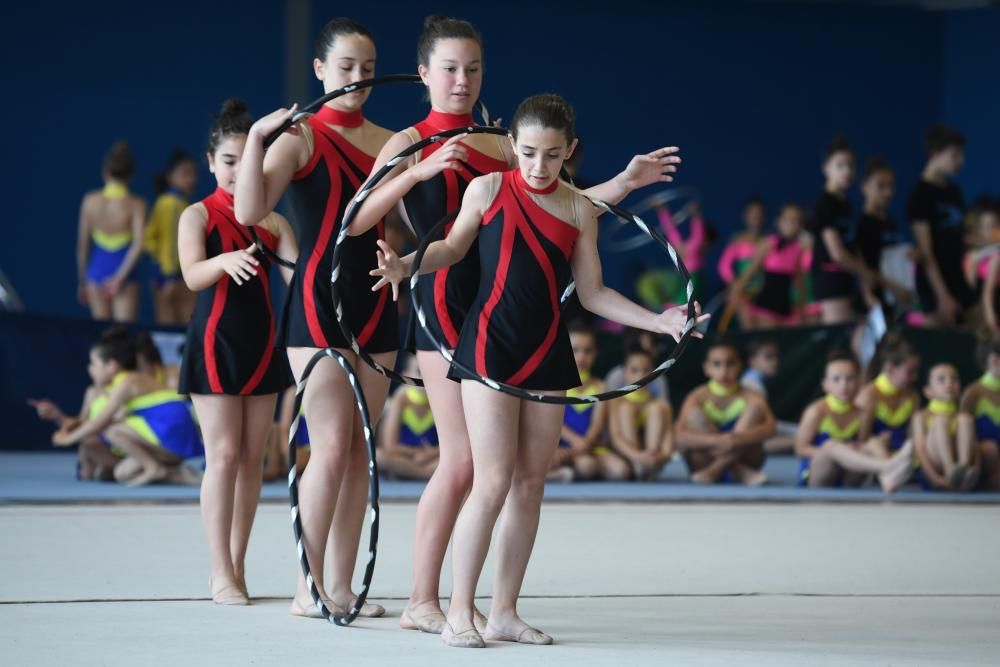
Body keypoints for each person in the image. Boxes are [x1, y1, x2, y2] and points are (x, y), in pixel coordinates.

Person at [347, 15, 683, 635]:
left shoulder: (506, 144)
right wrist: (420, 173)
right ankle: (428, 600)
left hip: (515, 311)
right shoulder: (408, 141)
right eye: (449, 68)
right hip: (446, 307)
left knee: (503, 473)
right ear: (423, 74)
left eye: (473, 68)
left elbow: (560, 203)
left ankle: (493, 608)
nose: (462, 79)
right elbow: (360, 218)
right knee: (463, 465)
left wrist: (628, 185)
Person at [235, 17, 396, 618]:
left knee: (359, 448)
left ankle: (342, 582)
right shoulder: (300, 137)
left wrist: (406, 260)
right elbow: (250, 209)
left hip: (376, 298)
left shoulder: (388, 139)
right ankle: (308, 587)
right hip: (317, 303)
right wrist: (256, 140)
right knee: (328, 447)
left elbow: (402, 222)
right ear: (320, 70)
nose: (358, 79)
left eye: (369, 70)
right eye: (347, 67)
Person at [178, 99, 296, 605]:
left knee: (253, 459)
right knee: (223, 456)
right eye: (226, 161)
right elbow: (190, 275)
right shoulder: (197, 214)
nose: (234, 171)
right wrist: (223, 259)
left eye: (242, 161)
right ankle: (218, 569)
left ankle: (239, 564)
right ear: (211, 163)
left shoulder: (273, 224)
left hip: (261, 345)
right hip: (216, 343)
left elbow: (301, 278)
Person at [51, 335, 203, 487]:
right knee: (122, 473)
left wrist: (66, 440)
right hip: (163, 442)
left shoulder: (128, 382)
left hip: (174, 438)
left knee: (111, 430)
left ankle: (153, 467)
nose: (90, 369)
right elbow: (85, 421)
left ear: (111, 366)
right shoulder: (108, 387)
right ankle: (175, 473)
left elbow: (96, 424)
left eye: (94, 364)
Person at [795, 350, 912, 491]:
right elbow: (800, 449)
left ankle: (887, 477)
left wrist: (863, 447)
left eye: (849, 378)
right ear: (825, 385)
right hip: (818, 475)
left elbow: (863, 443)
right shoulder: (816, 411)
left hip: (848, 476)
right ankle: (889, 465)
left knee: (873, 442)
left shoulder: (862, 413)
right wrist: (837, 451)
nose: (844, 385)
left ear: (858, 382)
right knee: (831, 446)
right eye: (836, 379)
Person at [675, 338, 773, 485]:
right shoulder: (697, 396)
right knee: (695, 416)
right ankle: (737, 470)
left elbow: (770, 428)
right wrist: (718, 441)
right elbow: (679, 435)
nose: (724, 371)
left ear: (740, 366)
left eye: (730, 363)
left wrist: (737, 439)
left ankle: (716, 470)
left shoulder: (751, 394)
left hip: (743, 455)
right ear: (706, 368)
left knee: (755, 410)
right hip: (705, 461)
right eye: (717, 364)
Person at [907, 124, 972, 326]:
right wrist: (942, 296)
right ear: (935, 154)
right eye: (955, 155)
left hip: (958, 279)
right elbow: (926, 252)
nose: (961, 161)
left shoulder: (954, 192)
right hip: (934, 286)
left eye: (962, 155)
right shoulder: (920, 195)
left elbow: (961, 236)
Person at [77, 142, 146, 322]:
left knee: (103, 337)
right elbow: (139, 245)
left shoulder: (90, 201)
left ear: (105, 171)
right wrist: (119, 278)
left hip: (96, 271)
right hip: (124, 272)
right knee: (124, 336)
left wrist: (83, 280)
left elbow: (83, 246)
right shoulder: (137, 204)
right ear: (131, 175)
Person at [554, 321, 629, 481]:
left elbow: (597, 423)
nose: (582, 356)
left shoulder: (601, 386)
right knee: (586, 466)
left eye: (587, 351)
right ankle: (562, 470)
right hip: (563, 447)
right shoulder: (557, 385)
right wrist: (576, 442)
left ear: (595, 353)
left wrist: (585, 443)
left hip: (591, 446)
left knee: (621, 471)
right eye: (575, 350)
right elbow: (555, 422)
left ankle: (575, 467)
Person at [728, 203, 807, 328]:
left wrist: (802, 311)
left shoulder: (799, 249)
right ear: (779, 221)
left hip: (787, 310)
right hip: (765, 309)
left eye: (797, 220)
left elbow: (799, 283)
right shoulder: (768, 244)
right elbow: (749, 273)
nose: (792, 223)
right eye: (788, 219)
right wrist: (735, 293)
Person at [146, 149, 199, 324]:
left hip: (165, 274)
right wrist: (169, 275)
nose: (190, 179)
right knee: (175, 330)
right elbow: (171, 243)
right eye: (185, 173)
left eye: (192, 173)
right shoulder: (173, 204)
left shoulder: (173, 202)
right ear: (170, 177)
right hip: (173, 277)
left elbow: (150, 239)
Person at [608, 347, 674, 480]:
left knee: (656, 409)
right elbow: (616, 437)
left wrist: (659, 457)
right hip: (629, 457)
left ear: (654, 373)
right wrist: (637, 456)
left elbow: (668, 443)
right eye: (634, 370)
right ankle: (637, 466)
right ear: (625, 373)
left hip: (653, 460)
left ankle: (649, 466)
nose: (640, 375)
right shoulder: (617, 402)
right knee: (626, 409)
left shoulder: (661, 405)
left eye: (646, 370)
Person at [913, 363, 981, 491]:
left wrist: (976, 468)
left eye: (954, 379)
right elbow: (920, 451)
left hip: (960, 465)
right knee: (940, 421)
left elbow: (975, 445)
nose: (949, 383)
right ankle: (950, 471)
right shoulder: (922, 416)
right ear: (928, 391)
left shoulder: (962, 416)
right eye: (941, 380)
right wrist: (935, 479)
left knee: (965, 420)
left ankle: (963, 470)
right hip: (935, 469)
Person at [855, 333, 919, 455]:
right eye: (910, 372)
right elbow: (862, 440)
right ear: (889, 369)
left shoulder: (913, 397)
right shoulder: (869, 395)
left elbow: (912, 437)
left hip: (904, 454)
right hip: (875, 456)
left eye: (916, 371)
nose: (915, 377)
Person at [377, 357, 440, 480]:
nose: (425, 379)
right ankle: (426, 474)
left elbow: (452, 445)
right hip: (404, 457)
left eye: (431, 372)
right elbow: (389, 446)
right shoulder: (401, 400)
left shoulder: (439, 402)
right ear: (406, 375)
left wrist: (429, 455)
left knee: (461, 459)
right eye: (419, 372)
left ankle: (412, 473)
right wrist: (417, 454)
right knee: (378, 456)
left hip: (431, 459)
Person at [958, 337, 1000, 490]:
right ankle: (973, 480)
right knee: (991, 449)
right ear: (994, 361)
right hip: (981, 455)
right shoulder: (973, 392)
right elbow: (961, 431)